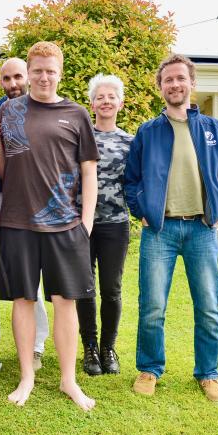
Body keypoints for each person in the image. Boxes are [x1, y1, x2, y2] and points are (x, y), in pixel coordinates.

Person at [124, 53, 218, 403]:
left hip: (202, 231)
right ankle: (149, 369)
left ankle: (208, 373)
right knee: (153, 305)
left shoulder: (214, 130)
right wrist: (141, 210)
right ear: (160, 88)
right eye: (168, 80)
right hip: (160, 232)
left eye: (180, 78)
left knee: (208, 306)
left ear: (192, 83)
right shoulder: (148, 131)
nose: (175, 84)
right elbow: (131, 179)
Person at [0, 41, 99, 412]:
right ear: (29, 71)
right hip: (18, 222)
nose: (43, 76)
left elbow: (89, 170)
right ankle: (27, 376)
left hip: (65, 224)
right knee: (23, 300)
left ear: (60, 73)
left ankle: (68, 380)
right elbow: (4, 166)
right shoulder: (10, 110)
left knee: (64, 302)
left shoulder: (77, 114)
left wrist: (85, 222)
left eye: (50, 70)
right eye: (36, 70)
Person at [0, 57, 49, 369]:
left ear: (28, 77)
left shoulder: (44, 110)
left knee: (31, 279)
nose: (13, 84)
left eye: (18, 76)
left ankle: (36, 345)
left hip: (31, 204)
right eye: (6, 78)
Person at [75, 74, 133, 376]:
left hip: (115, 225)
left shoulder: (130, 142)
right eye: (101, 97)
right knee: (85, 288)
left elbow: (136, 182)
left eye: (112, 97)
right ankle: (90, 349)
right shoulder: (81, 139)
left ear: (120, 103)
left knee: (111, 289)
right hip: (83, 225)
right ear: (92, 103)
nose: (106, 101)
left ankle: (109, 348)